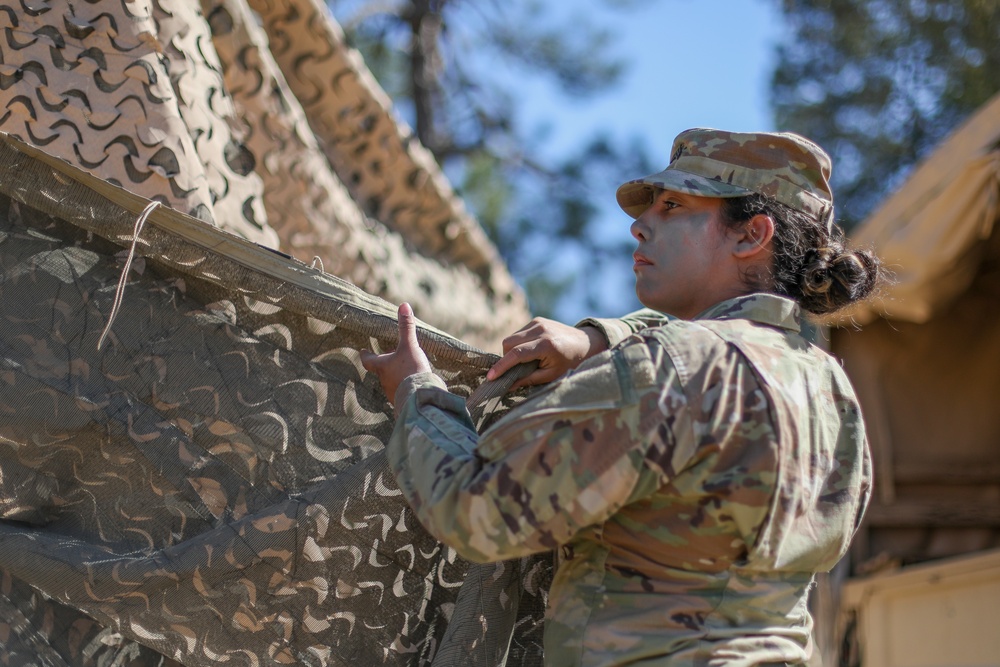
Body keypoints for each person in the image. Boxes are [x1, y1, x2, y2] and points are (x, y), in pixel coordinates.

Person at [361, 128, 879, 666]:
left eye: (674, 205)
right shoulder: (831, 390)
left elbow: (475, 508)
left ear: (751, 235)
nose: (639, 225)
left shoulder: (675, 366)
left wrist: (417, 395)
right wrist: (598, 340)